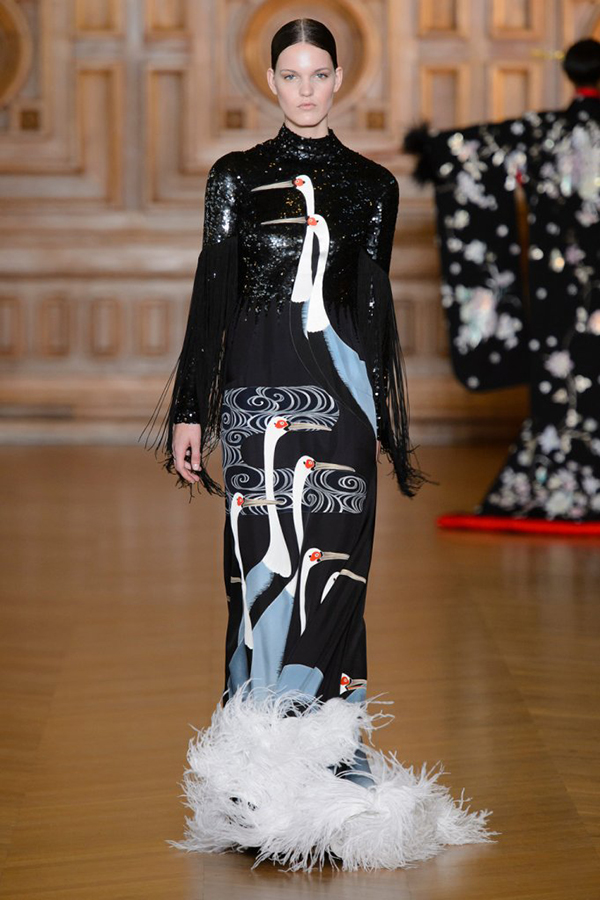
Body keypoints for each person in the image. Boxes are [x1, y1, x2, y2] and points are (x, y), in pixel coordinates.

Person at [140, 18, 494, 872]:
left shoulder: (373, 186)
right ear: (272, 81)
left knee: (335, 578)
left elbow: (371, 313)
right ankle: (257, 785)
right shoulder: (234, 177)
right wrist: (191, 411)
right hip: (254, 406)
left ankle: (329, 768)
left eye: (319, 74)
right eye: (291, 74)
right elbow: (212, 298)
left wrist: (380, 421)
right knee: (261, 575)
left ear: (338, 80)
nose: (305, 89)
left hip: (339, 407)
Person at [403, 38, 600, 534]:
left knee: (561, 378)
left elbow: (466, 151)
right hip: (576, 287)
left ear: (572, 76)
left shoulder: (541, 132)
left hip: (558, 286)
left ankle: (558, 484)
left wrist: (433, 148)